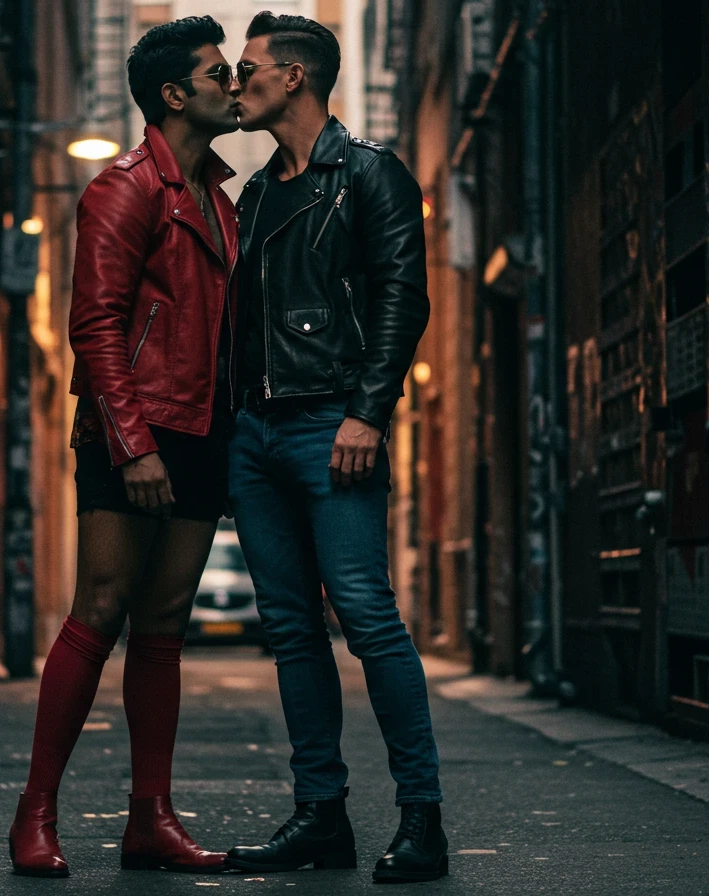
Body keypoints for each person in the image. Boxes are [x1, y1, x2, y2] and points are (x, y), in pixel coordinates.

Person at [8, 15, 241, 877]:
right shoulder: (125, 188)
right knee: (100, 607)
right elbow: (96, 326)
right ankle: (35, 813)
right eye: (217, 72)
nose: (231, 82)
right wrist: (133, 443)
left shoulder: (217, 200)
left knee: (165, 624)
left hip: (201, 433)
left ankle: (151, 818)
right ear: (176, 93)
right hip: (130, 430)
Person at [222, 11, 448, 884]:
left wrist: (369, 410)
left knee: (366, 613)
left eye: (249, 70)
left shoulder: (369, 175)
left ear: (295, 80)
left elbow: (403, 297)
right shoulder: (256, 194)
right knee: (287, 628)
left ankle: (421, 819)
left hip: (331, 424)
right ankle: (322, 816)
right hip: (258, 433)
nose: (236, 84)